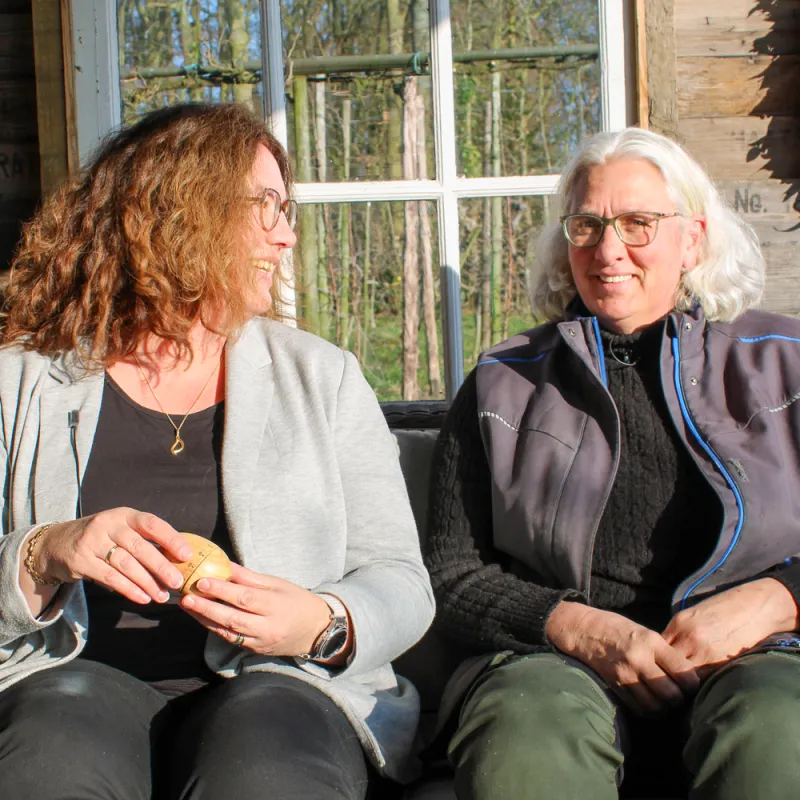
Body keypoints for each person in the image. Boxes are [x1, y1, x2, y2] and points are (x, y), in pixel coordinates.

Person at [0, 102, 434, 800]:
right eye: (266, 206)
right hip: (66, 681)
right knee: (49, 757)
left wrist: (322, 622)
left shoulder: (321, 376)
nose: (287, 235)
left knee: (265, 772)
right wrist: (43, 552)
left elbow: (402, 581)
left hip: (281, 684)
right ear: (177, 212)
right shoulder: (23, 381)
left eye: (287, 209)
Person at [425, 127, 800, 799]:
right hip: (559, 665)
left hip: (763, 658)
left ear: (694, 239)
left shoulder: (784, 363)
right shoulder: (502, 383)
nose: (608, 250)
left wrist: (779, 601)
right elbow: (451, 575)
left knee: (779, 726)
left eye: (638, 223)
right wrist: (572, 625)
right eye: (587, 225)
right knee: (526, 728)